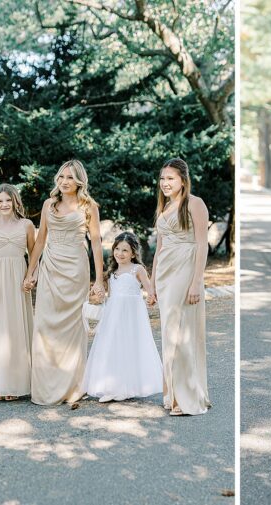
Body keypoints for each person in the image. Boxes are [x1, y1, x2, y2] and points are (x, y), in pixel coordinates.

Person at [25, 160, 104, 406]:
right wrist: (31, 272)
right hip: (51, 266)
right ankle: (46, 386)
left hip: (76, 269)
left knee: (72, 326)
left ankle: (72, 385)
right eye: (61, 177)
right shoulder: (49, 204)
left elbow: (96, 243)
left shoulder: (89, 206)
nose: (65, 181)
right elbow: (39, 241)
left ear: (79, 180)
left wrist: (98, 279)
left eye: (70, 177)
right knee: (45, 324)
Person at [151, 158, 212, 416]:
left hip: (185, 268)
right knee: (168, 331)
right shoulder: (164, 207)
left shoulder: (195, 204)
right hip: (165, 271)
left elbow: (202, 244)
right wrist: (152, 284)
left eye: (171, 178)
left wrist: (197, 281)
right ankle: (172, 393)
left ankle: (185, 398)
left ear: (183, 180)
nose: (165, 183)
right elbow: (159, 248)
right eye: (163, 179)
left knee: (179, 331)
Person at [82, 232, 163, 402]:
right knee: (113, 346)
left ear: (133, 253)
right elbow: (110, 297)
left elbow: (150, 290)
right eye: (117, 249)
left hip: (132, 315)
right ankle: (112, 386)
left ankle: (128, 387)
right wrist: (98, 298)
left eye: (125, 250)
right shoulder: (112, 272)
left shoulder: (137, 269)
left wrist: (151, 297)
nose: (120, 253)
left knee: (130, 346)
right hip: (114, 315)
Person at [0, 184, 35, 402]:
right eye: (0, 201)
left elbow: (34, 255)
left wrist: (31, 276)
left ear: (15, 202)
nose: (4, 205)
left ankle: (17, 384)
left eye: (8, 200)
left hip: (18, 280)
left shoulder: (27, 225)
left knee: (17, 329)